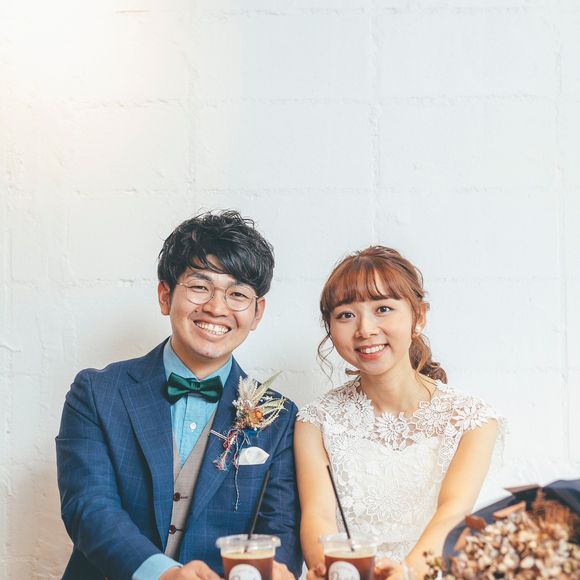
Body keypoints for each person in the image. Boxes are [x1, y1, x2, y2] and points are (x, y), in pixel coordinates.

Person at [56, 211, 302, 580]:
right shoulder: (96, 392)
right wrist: (163, 574)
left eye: (237, 294)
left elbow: (280, 533)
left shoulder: (279, 417)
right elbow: (89, 508)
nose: (216, 308)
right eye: (200, 287)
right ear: (165, 295)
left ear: (257, 313)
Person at [295, 246, 503, 580]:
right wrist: (340, 572)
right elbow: (317, 516)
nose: (365, 329)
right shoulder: (315, 422)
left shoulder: (471, 420)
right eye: (346, 315)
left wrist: (406, 573)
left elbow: (452, 513)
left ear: (419, 317)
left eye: (383, 309)